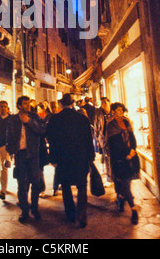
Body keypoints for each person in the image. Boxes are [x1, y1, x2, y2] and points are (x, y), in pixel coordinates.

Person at [46, 93, 95, 228]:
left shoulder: (55, 119)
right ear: (72, 103)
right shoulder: (82, 119)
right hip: (80, 157)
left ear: (61, 104)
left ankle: (71, 214)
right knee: (82, 186)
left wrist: (53, 158)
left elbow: (51, 140)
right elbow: (88, 139)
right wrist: (91, 157)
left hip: (63, 159)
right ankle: (82, 215)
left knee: (66, 186)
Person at [6, 96, 46, 223]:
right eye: (24, 103)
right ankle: (24, 211)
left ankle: (35, 209)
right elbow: (9, 137)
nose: (27, 105)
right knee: (22, 184)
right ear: (19, 106)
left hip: (33, 154)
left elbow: (42, 130)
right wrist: (9, 154)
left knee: (35, 182)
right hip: (20, 155)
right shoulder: (13, 119)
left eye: (28, 103)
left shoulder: (34, 117)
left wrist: (29, 121)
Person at [107, 103, 140, 225]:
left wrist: (133, 150)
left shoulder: (126, 122)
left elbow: (132, 137)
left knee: (127, 182)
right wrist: (126, 154)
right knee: (124, 182)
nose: (121, 112)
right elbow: (114, 144)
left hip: (131, 157)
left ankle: (120, 198)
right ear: (114, 111)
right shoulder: (111, 125)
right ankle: (133, 209)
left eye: (122, 110)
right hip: (119, 158)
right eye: (118, 110)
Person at [94, 97, 112, 183]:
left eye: (105, 102)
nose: (104, 104)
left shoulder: (114, 113)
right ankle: (109, 177)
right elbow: (96, 127)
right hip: (103, 139)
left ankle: (115, 175)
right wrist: (97, 139)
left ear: (109, 103)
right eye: (102, 103)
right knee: (106, 158)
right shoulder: (99, 114)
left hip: (114, 139)